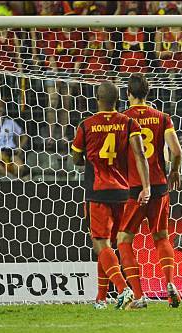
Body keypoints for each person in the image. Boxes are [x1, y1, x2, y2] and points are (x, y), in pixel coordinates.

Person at [70, 81, 151, 310]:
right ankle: (101, 298)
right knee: (109, 247)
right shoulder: (129, 123)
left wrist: (88, 158)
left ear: (97, 98)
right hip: (123, 192)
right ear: (118, 100)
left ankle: (123, 289)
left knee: (100, 244)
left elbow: (76, 159)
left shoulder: (86, 125)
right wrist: (146, 186)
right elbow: (140, 154)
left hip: (97, 191)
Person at [115, 73, 182, 309]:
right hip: (160, 185)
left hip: (133, 188)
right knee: (161, 237)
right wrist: (174, 171)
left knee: (123, 240)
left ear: (128, 94)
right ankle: (171, 284)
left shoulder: (122, 119)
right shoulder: (162, 117)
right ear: (147, 93)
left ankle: (139, 295)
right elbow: (176, 150)